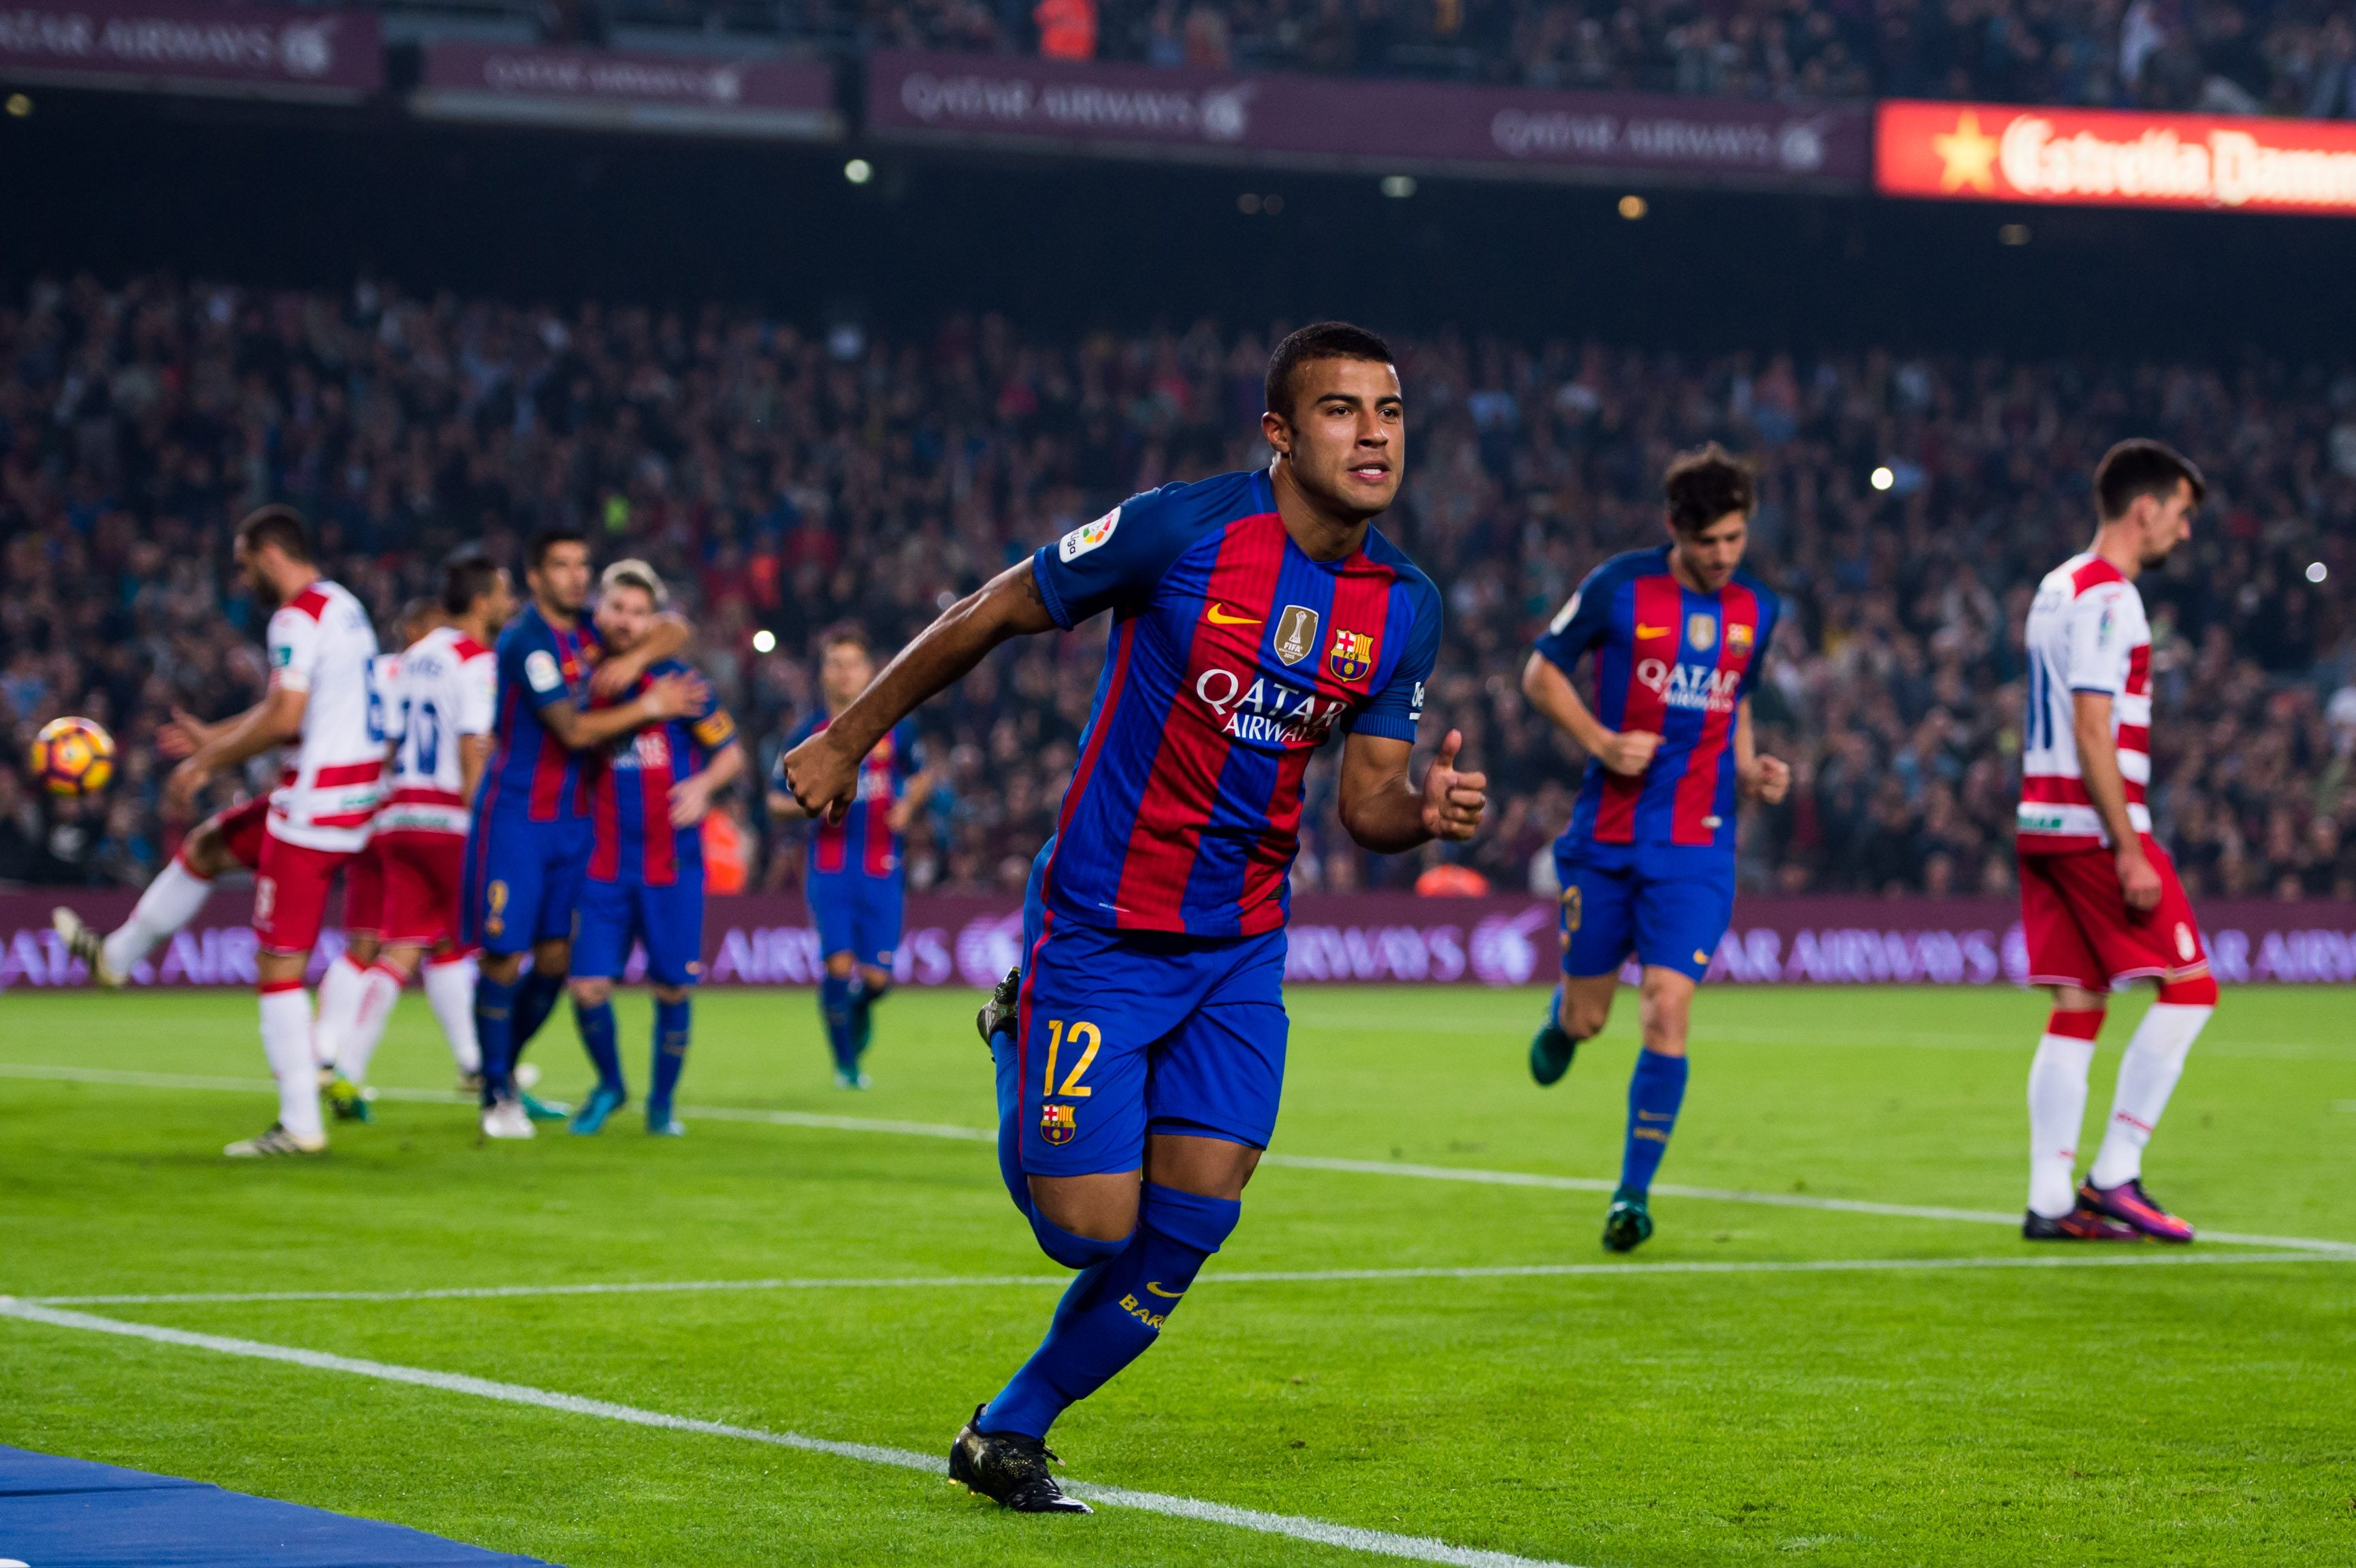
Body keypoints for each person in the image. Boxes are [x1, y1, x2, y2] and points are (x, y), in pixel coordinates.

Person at [781, 321, 1486, 1513]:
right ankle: (1020, 1030)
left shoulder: (1403, 603)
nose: (1372, 434)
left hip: (1242, 943)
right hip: (1104, 927)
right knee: (1089, 1228)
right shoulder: (1180, 528)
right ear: (1278, 432)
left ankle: (1010, 1426)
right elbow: (990, 610)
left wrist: (1424, 813)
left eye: (1391, 411)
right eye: (1340, 410)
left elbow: (1365, 801)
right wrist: (848, 733)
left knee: (1197, 1213)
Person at [1519, 443, 1791, 1253]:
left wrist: (1749, 769)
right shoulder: (1619, 586)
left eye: (1734, 539)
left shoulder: (1757, 609)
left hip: (1698, 847)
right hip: (1605, 840)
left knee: (1666, 1007)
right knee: (1592, 1016)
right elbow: (1539, 674)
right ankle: (1564, 1023)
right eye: (1707, 540)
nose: (1721, 556)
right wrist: (1602, 740)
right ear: (1674, 528)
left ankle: (1631, 1197)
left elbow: (1733, 696)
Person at [2016, 439, 2216, 1243]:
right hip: (2093, 830)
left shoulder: (2053, 587)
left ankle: (2050, 1202)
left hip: (2039, 822)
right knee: (2191, 988)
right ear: (2145, 508)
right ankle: (2114, 1173)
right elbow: (2093, 728)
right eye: (2179, 514)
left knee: (2077, 1004)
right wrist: (2128, 844)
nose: (2183, 532)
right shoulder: (2108, 597)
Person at [153, 508, 383, 1156]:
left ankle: (300, 1125)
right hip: (353, 796)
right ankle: (114, 958)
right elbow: (296, 708)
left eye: (243, 562)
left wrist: (207, 760)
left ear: (268, 553)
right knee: (209, 843)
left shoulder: (294, 617)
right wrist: (218, 735)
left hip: (312, 809)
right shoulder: (343, 605)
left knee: (278, 966)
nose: (242, 575)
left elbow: (287, 715)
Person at [463, 526, 700, 1140]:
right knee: (502, 956)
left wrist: (632, 660)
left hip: (576, 827)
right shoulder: (528, 641)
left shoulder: (591, 636)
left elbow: (676, 628)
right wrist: (650, 705)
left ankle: (505, 1072)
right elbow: (569, 730)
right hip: (518, 819)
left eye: (581, 565)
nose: (574, 576)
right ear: (535, 578)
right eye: (560, 566)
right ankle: (494, 1093)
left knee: (555, 959)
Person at [312, 553, 517, 1109]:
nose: (509, 605)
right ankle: (494, 1072)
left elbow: (389, 741)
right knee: (494, 948)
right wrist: (485, 819)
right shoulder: (476, 660)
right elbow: (471, 744)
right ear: (481, 603)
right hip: (451, 820)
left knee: (408, 946)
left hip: (400, 814)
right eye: (503, 594)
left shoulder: (409, 660)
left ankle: (354, 1069)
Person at [566, 561, 743, 1137]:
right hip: (604, 863)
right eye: (618, 608)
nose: (627, 620)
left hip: (672, 864)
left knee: (672, 986)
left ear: (652, 618)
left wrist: (702, 785)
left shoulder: (681, 684)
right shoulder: (580, 672)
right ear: (601, 610)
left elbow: (732, 755)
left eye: (639, 612)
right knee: (588, 986)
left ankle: (662, 1104)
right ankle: (611, 1084)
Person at [767, 629, 935, 1089]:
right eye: (835, 663)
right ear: (823, 674)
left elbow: (922, 775)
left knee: (878, 979)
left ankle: (856, 1015)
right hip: (830, 864)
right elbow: (772, 800)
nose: (844, 672)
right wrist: (806, 804)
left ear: (868, 671)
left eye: (853, 663)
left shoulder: (896, 726)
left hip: (882, 865)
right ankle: (846, 1066)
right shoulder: (807, 733)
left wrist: (908, 804)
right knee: (838, 966)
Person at [315, 597, 441, 1113]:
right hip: (404, 814)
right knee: (420, 940)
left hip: (372, 812)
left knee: (366, 940)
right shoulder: (414, 673)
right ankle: (479, 1066)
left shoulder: (381, 673)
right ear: (411, 629)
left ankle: (325, 1052)